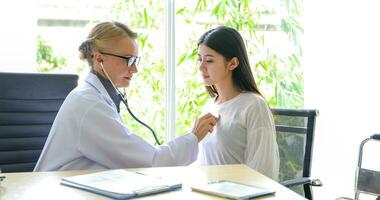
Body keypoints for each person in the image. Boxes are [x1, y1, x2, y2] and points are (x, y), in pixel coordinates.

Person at [34, 21, 217, 171]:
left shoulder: (96, 97)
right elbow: (151, 162)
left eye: (136, 60)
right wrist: (193, 136)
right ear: (99, 59)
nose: (135, 69)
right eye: (128, 60)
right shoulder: (89, 105)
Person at [196, 26, 280, 181]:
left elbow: (262, 171)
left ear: (233, 63)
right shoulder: (209, 107)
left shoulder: (254, 106)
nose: (201, 67)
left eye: (209, 60)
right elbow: (202, 164)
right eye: (199, 59)